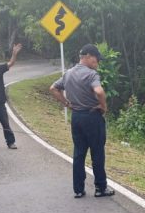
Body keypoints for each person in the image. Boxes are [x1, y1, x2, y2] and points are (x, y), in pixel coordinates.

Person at [48, 44, 115, 198]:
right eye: (97, 59)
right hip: (92, 117)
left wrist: (66, 103)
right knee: (97, 152)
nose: (97, 63)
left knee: (79, 152)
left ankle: (78, 189)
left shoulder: (68, 73)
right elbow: (99, 91)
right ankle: (100, 188)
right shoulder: (92, 74)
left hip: (76, 117)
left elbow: (53, 88)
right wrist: (103, 106)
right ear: (89, 56)